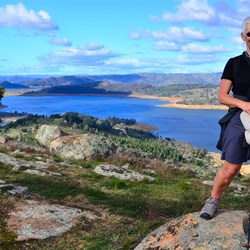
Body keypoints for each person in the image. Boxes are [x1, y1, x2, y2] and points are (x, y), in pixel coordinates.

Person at [200, 16, 250, 220]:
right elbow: (222, 96)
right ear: (243, 37)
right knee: (231, 167)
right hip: (240, 115)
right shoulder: (234, 63)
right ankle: (212, 201)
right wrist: (243, 104)